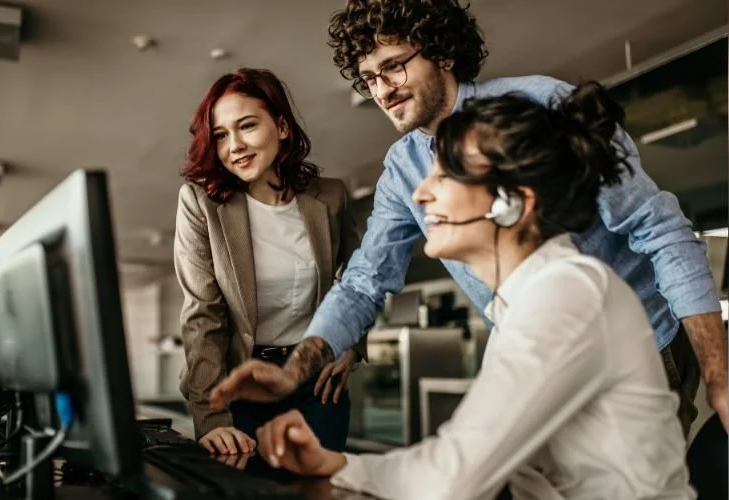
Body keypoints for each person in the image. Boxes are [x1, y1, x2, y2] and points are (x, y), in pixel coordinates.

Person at [210, 0, 728, 436]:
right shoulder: (403, 166)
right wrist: (294, 370)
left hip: (632, 349)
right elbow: (365, 280)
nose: (382, 89)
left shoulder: (540, 104)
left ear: (441, 52)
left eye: (394, 65)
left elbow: (660, 229)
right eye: (369, 78)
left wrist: (717, 372)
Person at [252, 82, 696, 499]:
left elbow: (451, 478)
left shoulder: (566, 294)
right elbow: (460, 463)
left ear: (511, 203)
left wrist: (339, 466)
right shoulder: (522, 303)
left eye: (445, 176)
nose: (422, 194)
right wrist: (332, 462)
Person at [174, 68, 364, 455]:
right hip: (240, 384)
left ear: (281, 127)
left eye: (246, 126)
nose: (235, 146)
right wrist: (210, 419)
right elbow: (203, 315)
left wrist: (351, 346)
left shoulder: (330, 197)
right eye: (222, 135)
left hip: (316, 383)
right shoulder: (201, 205)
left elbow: (358, 282)